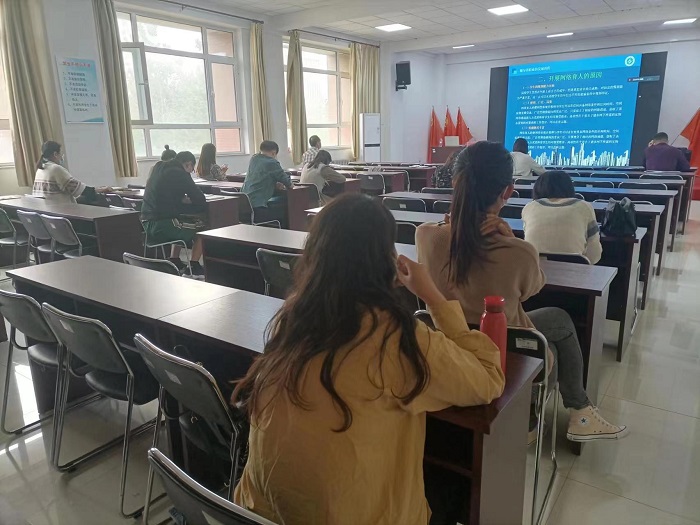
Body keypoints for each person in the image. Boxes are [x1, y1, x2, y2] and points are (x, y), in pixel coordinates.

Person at [231, 193, 504, 525]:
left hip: (255, 513)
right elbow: (488, 378)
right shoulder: (396, 339)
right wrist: (432, 295)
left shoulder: (292, 320)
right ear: (387, 261)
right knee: (458, 488)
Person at [416, 141, 628, 443]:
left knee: (550, 331)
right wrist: (511, 238)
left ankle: (550, 415)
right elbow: (532, 288)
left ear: (455, 183)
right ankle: (571, 413)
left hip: (445, 344)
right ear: (508, 191)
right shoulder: (519, 252)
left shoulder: (425, 235)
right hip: (499, 351)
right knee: (557, 325)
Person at [141, 150, 207, 276]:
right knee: (204, 228)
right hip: (163, 224)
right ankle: (193, 266)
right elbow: (200, 199)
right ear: (188, 164)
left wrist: (179, 198)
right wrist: (187, 199)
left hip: (146, 224)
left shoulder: (158, 167)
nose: (191, 171)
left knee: (181, 222)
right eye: (192, 168)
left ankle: (174, 259)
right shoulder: (180, 173)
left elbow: (164, 193)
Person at [522, 171, 602, 264]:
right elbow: (594, 254)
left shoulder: (529, 207)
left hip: (534, 268)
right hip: (575, 269)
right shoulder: (584, 207)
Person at [32, 141, 111, 204]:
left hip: (48, 211)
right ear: (55, 154)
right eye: (60, 154)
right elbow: (79, 190)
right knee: (97, 200)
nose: (61, 157)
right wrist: (99, 190)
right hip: (61, 210)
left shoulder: (41, 169)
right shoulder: (56, 169)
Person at [242, 141, 292, 225]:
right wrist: (290, 184)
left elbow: (260, 177)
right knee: (288, 208)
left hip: (245, 206)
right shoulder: (272, 162)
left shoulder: (254, 159)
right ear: (274, 153)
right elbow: (288, 183)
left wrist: (274, 184)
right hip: (258, 208)